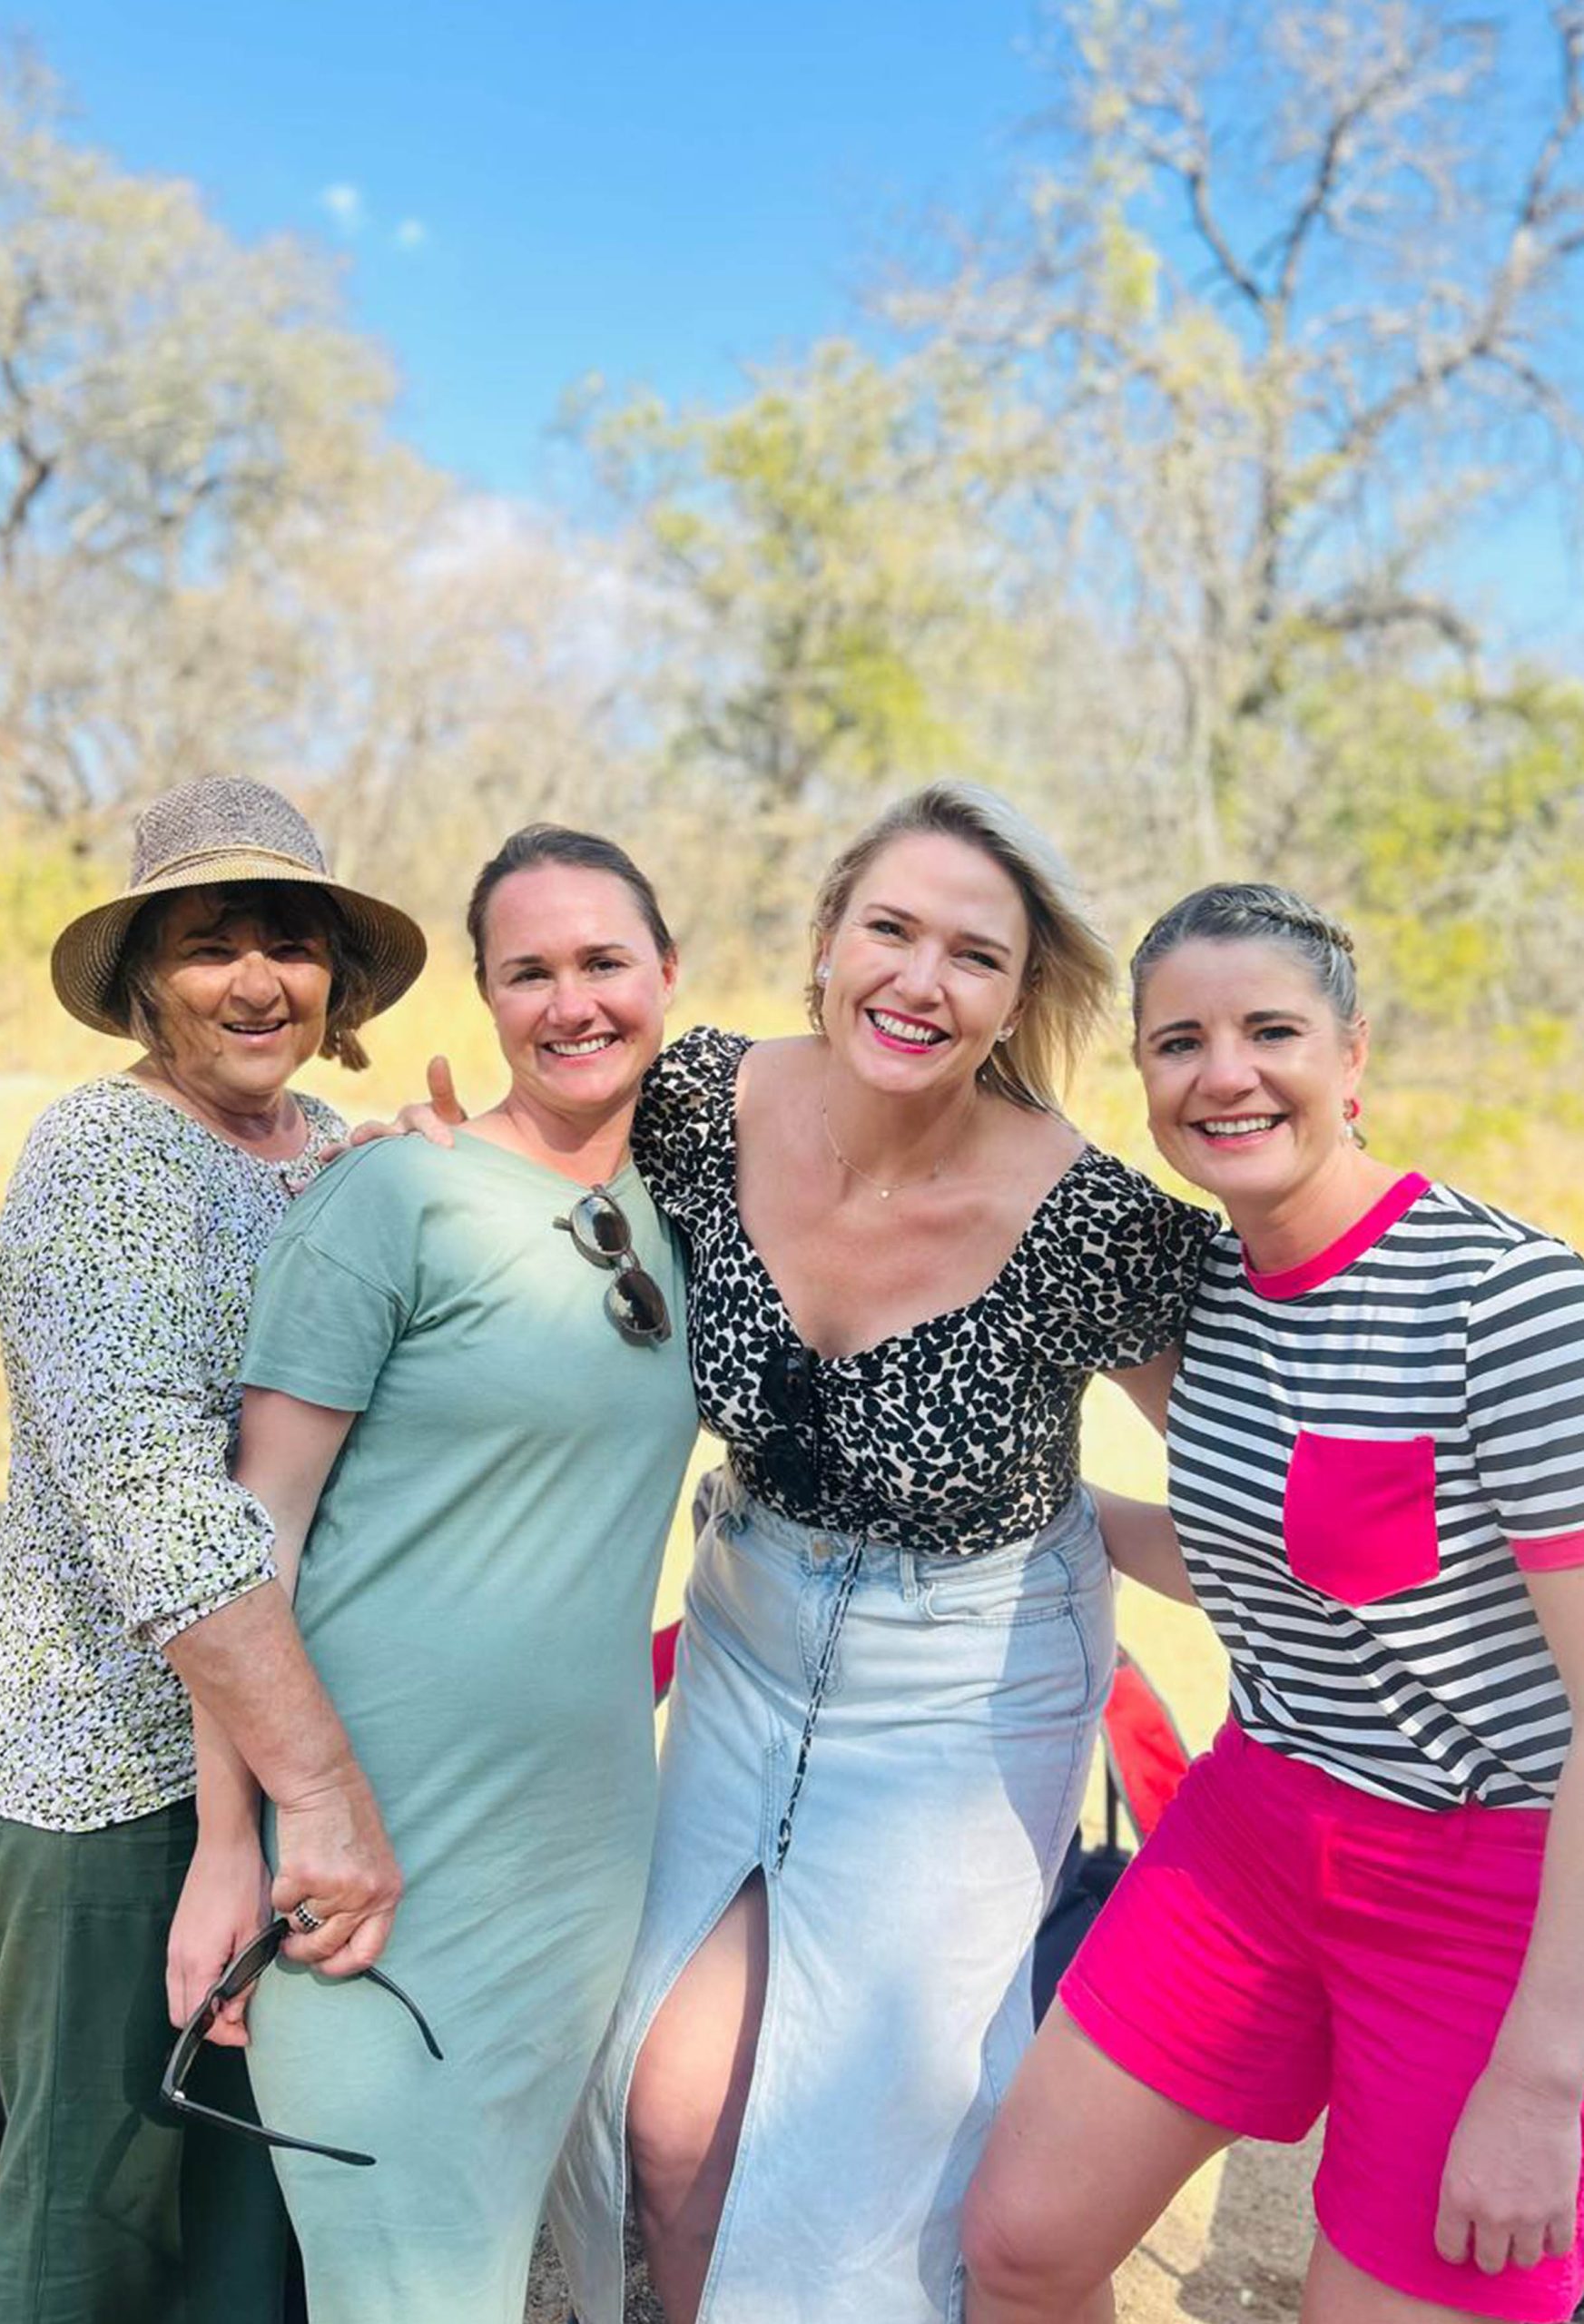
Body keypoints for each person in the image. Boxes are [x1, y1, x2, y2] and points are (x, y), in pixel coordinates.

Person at [382, 783, 1215, 2323]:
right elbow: (533, 1163)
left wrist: (1121, 1538)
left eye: (973, 955)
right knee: (665, 2121)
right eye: (888, 929)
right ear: (826, 937)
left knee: (881, 2165)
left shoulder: (1087, 1221)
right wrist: (430, 1163)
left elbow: (1241, 1497)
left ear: (1017, 995)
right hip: (747, 1632)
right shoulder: (701, 1102)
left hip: (966, 1687)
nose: (920, 980)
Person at [962, 883, 1584, 2324]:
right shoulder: (1208, 1289)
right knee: (1017, 2246)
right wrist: (1018, 1515)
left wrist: (1546, 2077)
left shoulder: (1512, 1309)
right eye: (1178, 1042)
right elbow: (1274, 1557)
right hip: (1253, 1825)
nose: (1223, 1073)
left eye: (1269, 1031)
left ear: (1350, 1055)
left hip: (1484, 1884)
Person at [171, 825, 700, 2323]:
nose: (571, 1003)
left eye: (603, 962)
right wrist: (228, 1842)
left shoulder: (686, 1208)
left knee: (488, 2266)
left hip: (581, 1862)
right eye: (527, 973)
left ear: (668, 973)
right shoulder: (390, 1198)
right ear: (484, 996)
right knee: (405, 2287)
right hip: (371, 1860)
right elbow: (250, 1538)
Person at [0, 775, 425, 2324]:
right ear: (146, 982)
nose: (256, 981)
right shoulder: (108, 1158)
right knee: (102, 2214)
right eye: (210, 944)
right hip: (119, 1776)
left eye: (289, 944)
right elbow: (155, 1510)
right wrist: (318, 1793)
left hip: (294, 1763)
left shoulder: (338, 1148)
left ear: (337, 980)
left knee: (253, 2211)